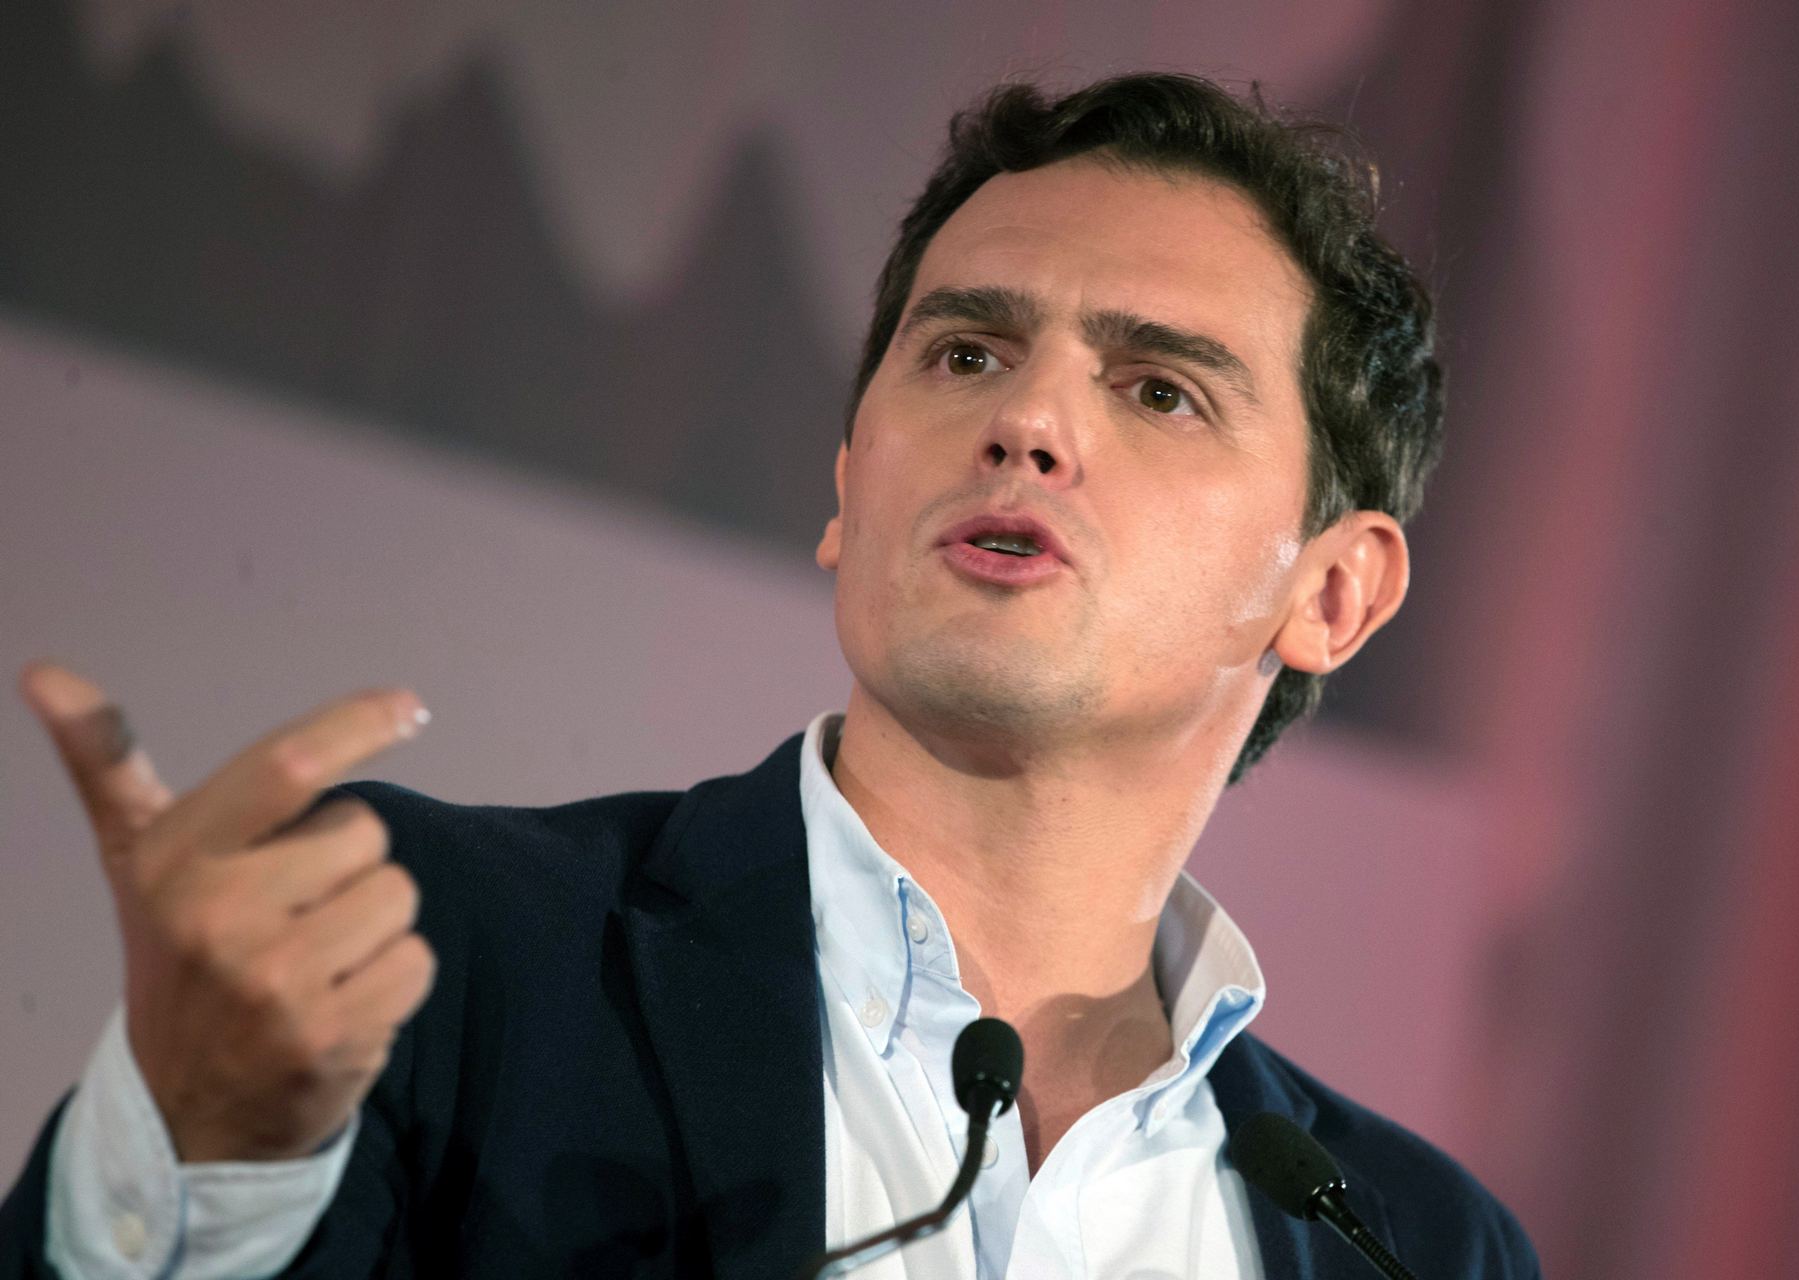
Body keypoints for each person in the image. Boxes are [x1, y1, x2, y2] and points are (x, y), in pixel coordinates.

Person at [0, 74, 1539, 1278]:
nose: (1030, 427)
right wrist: (201, 1160)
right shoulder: (425, 956)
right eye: (965, 355)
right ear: (851, 482)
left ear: (1336, 592)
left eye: (1158, 389)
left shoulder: (1416, 1246)